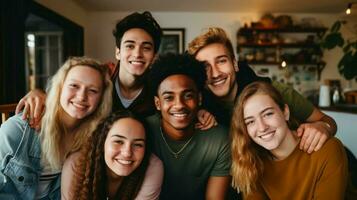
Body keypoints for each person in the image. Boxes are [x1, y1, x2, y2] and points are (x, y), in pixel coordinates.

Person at [16, 11, 215, 130]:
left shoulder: (158, 88)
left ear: (154, 55)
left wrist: (200, 112)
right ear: (118, 52)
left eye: (146, 48)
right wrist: (40, 93)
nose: (137, 54)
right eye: (130, 46)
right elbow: (66, 91)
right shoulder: (99, 77)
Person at [188, 27, 337, 154]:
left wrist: (323, 127)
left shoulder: (274, 91)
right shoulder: (198, 105)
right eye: (205, 66)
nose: (215, 73)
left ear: (235, 64)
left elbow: (327, 121)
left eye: (221, 61)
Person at [0, 57, 113, 199]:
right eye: (74, 86)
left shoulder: (93, 139)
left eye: (93, 90)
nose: (82, 96)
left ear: (101, 99)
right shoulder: (18, 130)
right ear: (60, 87)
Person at [230, 81, 348, 199]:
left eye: (268, 114)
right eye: (250, 122)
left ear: (285, 112)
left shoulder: (327, 149)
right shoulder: (251, 162)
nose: (262, 127)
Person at [146, 53, 231, 200]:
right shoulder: (143, 131)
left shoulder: (220, 139)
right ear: (158, 103)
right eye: (168, 97)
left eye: (188, 96)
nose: (179, 105)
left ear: (199, 99)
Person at [61, 110, 163, 200]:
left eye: (137, 145)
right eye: (118, 141)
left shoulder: (153, 166)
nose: (127, 153)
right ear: (102, 143)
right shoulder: (75, 164)